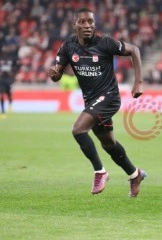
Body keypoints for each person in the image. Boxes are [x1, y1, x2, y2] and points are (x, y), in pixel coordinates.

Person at [48, 7, 146, 196]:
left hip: (109, 98)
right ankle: (135, 175)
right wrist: (54, 73)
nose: (87, 26)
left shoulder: (105, 43)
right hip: (92, 101)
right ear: (74, 24)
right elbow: (57, 74)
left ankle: (100, 172)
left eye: (90, 22)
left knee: (78, 129)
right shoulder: (68, 46)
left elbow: (134, 50)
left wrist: (138, 82)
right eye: (82, 22)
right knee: (109, 144)